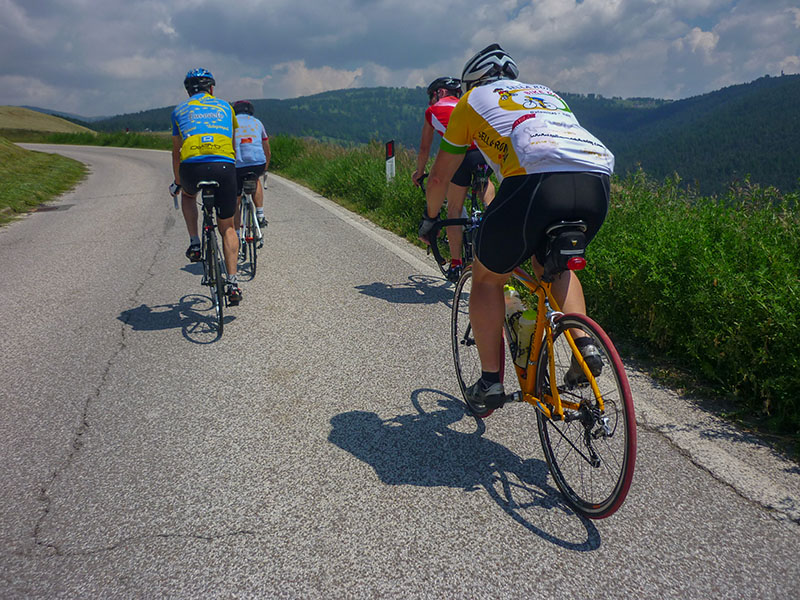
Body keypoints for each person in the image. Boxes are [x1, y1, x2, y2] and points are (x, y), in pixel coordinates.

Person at [419, 44, 615, 416]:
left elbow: (442, 175)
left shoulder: (471, 100)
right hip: (596, 181)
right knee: (554, 264)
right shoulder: (546, 93)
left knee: (488, 277)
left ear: (471, 81)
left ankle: (491, 381)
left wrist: (431, 219)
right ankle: (583, 344)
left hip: (536, 180)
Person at [169, 68, 242, 305]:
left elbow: (176, 153)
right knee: (228, 227)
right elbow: (232, 145)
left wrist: (178, 183)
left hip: (192, 167)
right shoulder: (226, 107)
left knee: (189, 196)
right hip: (224, 166)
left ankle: (195, 243)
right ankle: (232, 283)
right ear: (211, 88)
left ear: (188, 91)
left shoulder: (179, 110)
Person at [412, 77, 495, 283]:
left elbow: (424, 149)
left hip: (459, 156)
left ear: (439, 93)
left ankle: (457, 263)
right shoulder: (469, 104)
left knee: (454, 210)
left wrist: (419, 172)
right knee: (484, 184)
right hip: (484, 154)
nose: (431, 101)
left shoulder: (433, 110)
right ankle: (492, 215)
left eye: (431, 96)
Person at [232, 100, 271, 230]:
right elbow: (267, 149)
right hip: (257, 163)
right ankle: (260, 214)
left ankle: (236, 233)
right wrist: (265, 169)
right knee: (256, 180)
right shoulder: (257, 122)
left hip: (237, 164)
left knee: (236, 199)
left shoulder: (231, 122)